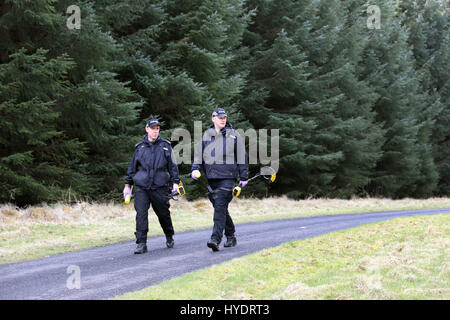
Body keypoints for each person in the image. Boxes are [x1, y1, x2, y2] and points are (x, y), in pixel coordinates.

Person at [191, 108, 248, 251]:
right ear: (213, 119)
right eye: (220, 117)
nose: (223, 119)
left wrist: (244, 176)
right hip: (212, 178)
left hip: (228, 177)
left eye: (225, 117)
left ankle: (215, 239)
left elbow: (242, 156)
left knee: (220, 206)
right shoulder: (206, 135)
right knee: (220, 208)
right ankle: (231, 235)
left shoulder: (234, 135)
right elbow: (199, 155)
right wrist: (195, 168)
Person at [123, 119, 180, 254]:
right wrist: (127, 186)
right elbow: (132, 168)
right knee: (141, 214)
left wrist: (175, 183)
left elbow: (173, 167)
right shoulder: (140, 147)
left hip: (160, 186)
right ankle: (141, 243)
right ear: (147, 129)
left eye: (157, 129)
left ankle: (169, 235)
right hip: (142, 186)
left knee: (163, 214)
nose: (155, 131)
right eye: (153, 128)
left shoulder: (165, 146)